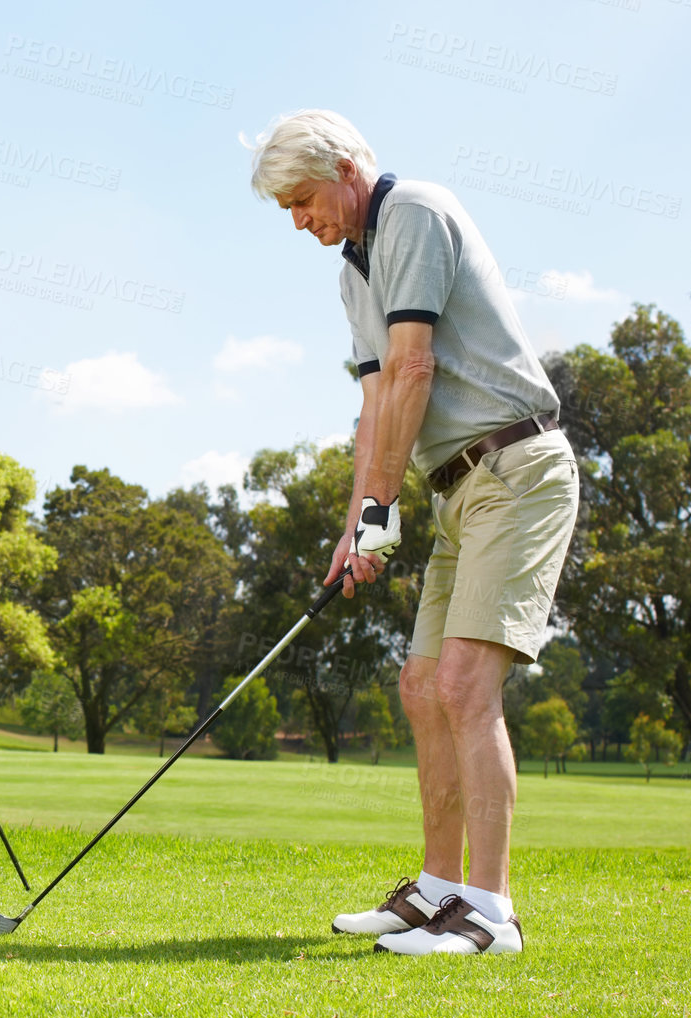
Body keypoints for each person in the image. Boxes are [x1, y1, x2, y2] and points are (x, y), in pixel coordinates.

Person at [247, 110, 579, 955]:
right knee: (423, 685)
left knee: (468, 687)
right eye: (285, 209)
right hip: (454, 490)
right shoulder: (353, 274)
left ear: (349, 166)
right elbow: (375, 404)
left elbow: (415, 368)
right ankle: (436, 891)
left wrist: (382, 512)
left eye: (303, 199)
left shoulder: (416, 213)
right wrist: (358, 520)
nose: (298, 221)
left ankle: (490, 913)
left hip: (517, 469)